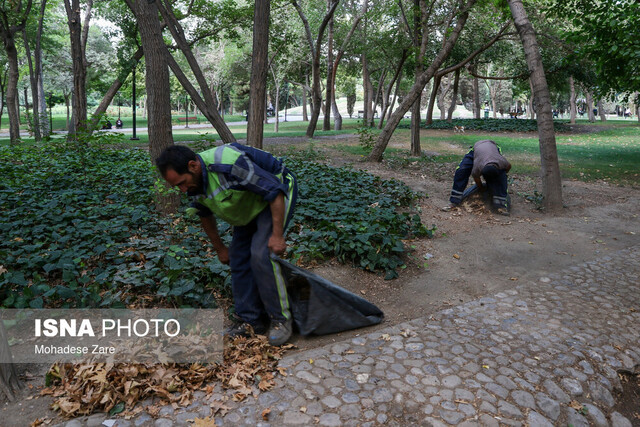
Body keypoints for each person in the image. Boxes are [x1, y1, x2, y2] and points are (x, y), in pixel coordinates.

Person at [156, 143, 298, 346]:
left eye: (182, 183)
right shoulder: (194, 182)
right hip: (249, 201)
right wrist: (220, 248)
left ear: (193, 166)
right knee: (239, 258)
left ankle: (280, 319)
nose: (182, 189)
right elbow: (204, 214)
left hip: (276, 194)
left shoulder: (229, 164)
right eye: (177, 186)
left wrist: (276, 236)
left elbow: (274, 191)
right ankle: (249, 321)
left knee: (261, 254)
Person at [445, 140, 511, 215]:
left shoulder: (501, 162)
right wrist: (481, 188)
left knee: (502, 176)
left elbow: (508, 166)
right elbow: (476, 178)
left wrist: (500, 178)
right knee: (461, 170)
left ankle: (500, 206)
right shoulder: (477, 166)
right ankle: (454, 201)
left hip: (493, 148)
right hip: (477, 149)